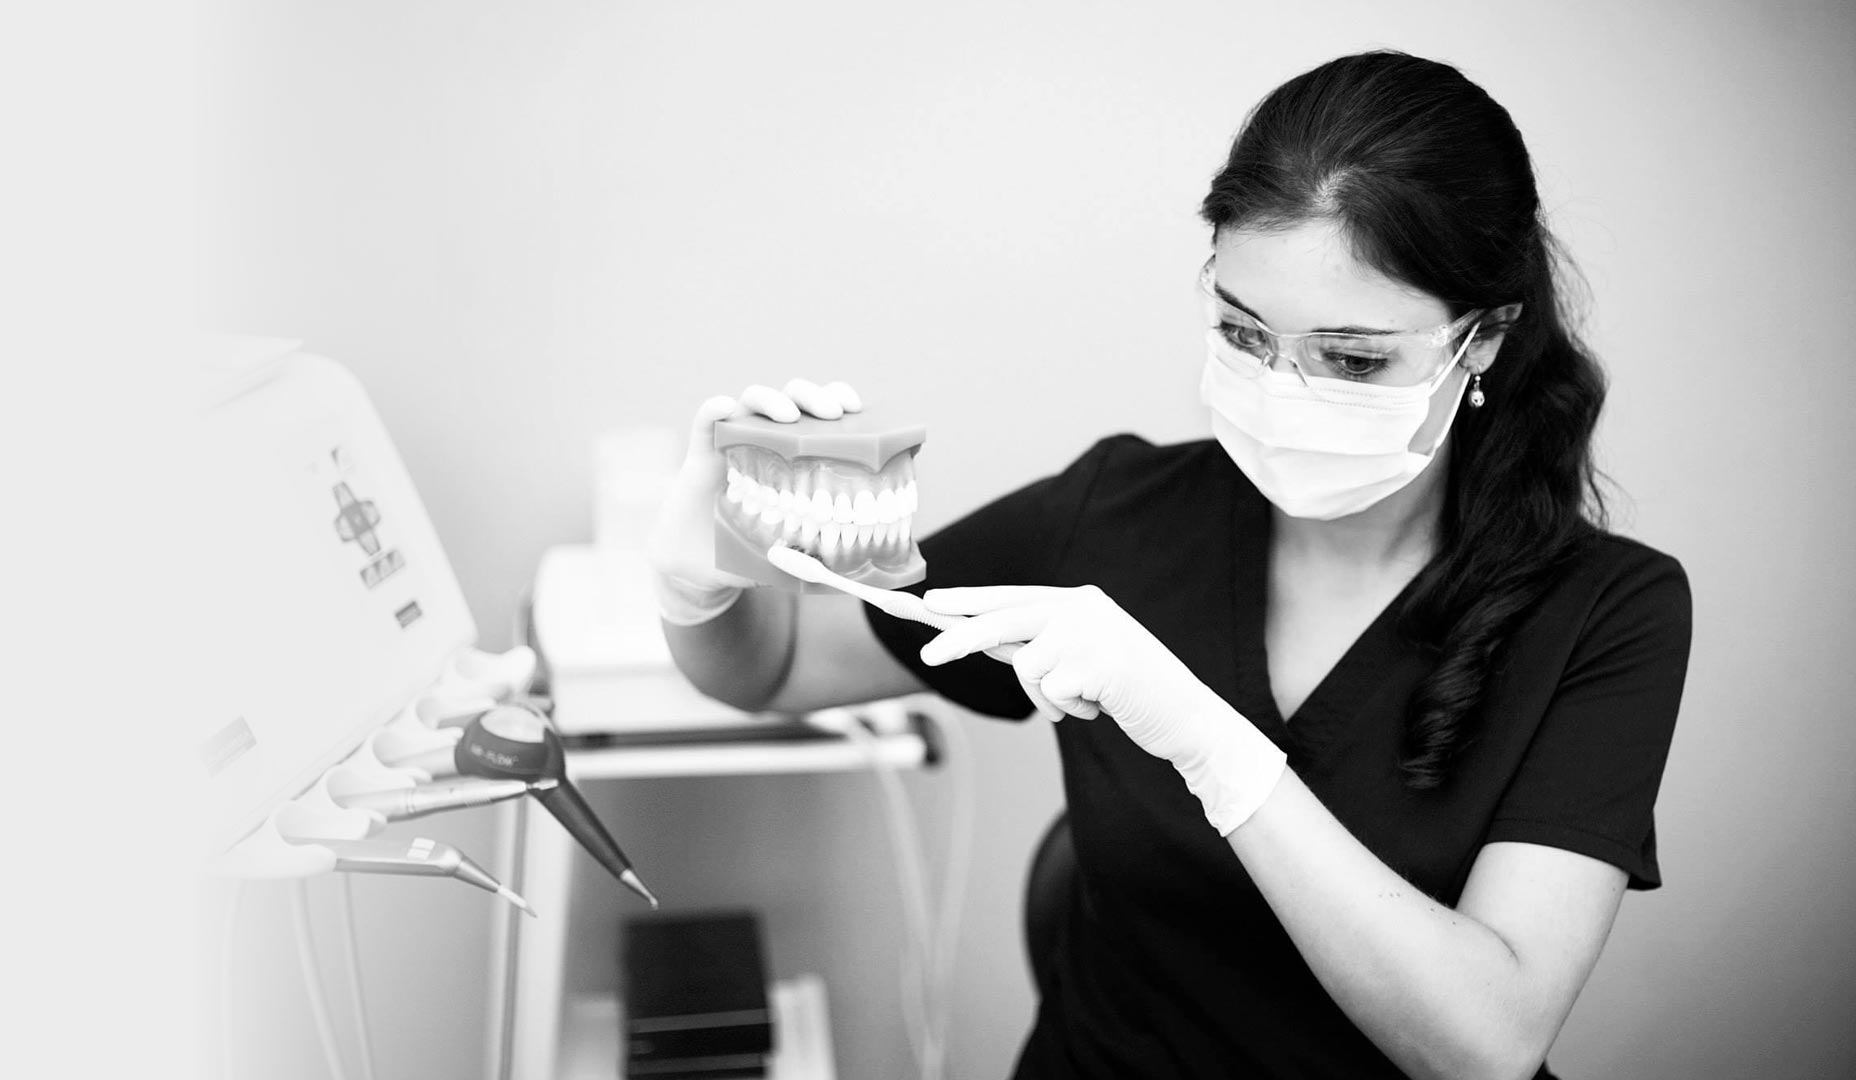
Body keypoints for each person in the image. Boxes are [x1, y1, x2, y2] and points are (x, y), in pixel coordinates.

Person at [650, 50, 1691, 1080]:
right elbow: (774, 668)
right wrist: (702, 578)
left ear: (1486, 339)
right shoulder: (1117, 514)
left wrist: (1211, 746)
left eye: (1354, 356)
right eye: (1243, 333)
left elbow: (1485, 1044)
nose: (1285, 388)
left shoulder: (1608, 612)